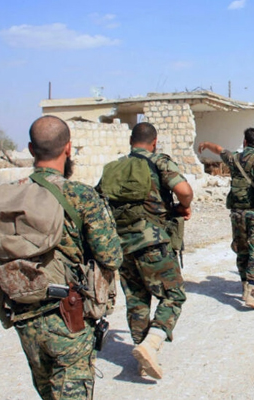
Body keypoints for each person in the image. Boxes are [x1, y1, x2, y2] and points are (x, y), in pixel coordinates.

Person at [0, 116, 124, 399]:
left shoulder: (9, 196)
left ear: (30, 149)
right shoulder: (80, 196)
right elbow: (111, 256)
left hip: (24, 315)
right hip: (68, 316)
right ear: (68, 148)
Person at [97, 122, 192, 380]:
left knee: (137, 302)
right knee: (174, 295)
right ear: (154, 141)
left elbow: (99, 203)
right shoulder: (158, 161)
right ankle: (151, 344)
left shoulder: (114, 168)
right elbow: (184, 190)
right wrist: (183, 206)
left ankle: (142, 357)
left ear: (131, 141)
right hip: (152, 242)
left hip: (123, 246)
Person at [197, 128, 254, 309]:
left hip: (236, 213)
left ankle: (244, 286)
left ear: (244, 142)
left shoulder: (235, 158)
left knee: (242, 249)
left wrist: (204, 145)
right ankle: (251, 292)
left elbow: (219, 149)